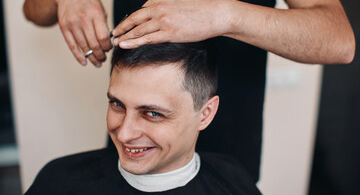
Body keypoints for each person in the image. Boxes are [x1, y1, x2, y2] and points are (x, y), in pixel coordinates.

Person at [23, 0, 355, 182]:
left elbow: (339, 40)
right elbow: (34, 3)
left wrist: (222, 15)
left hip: (229, 161)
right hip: (135, 153)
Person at [24, 42, 262, 194]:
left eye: (152, 113)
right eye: (117, 104)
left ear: (205, 114)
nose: (124, 133)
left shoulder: (234, 180)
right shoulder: (58, 181)